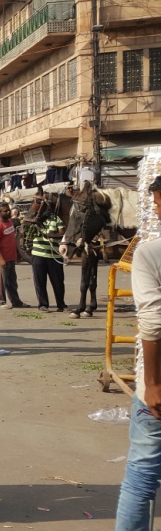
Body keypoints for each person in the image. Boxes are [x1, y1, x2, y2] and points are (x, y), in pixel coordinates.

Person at [116, 175, 161, 530]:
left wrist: (151, 383)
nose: (157, 212)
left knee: (143, 473)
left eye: (158, 204)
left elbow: (153, 322)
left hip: (156, 384)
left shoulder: (150, 252)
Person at [28, 192, 66, 312]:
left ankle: (61, 304)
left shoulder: (56, 219)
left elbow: (62, 232)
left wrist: (50, 235)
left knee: (58, 282)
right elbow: (28, 231)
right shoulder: (33, 219)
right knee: (40, 282)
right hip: (38, 255)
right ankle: (43, 304)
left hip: (54, 255)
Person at [0, 202, 26, 309]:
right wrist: (1, 259)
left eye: (8, 209)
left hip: (11, 257)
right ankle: (0, 301)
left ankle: (16, 302)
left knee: (12, 282)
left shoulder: (10, 222)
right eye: (5, 211)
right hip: (2, 258)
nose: (8, 212)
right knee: (2, 281)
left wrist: (17, 253)